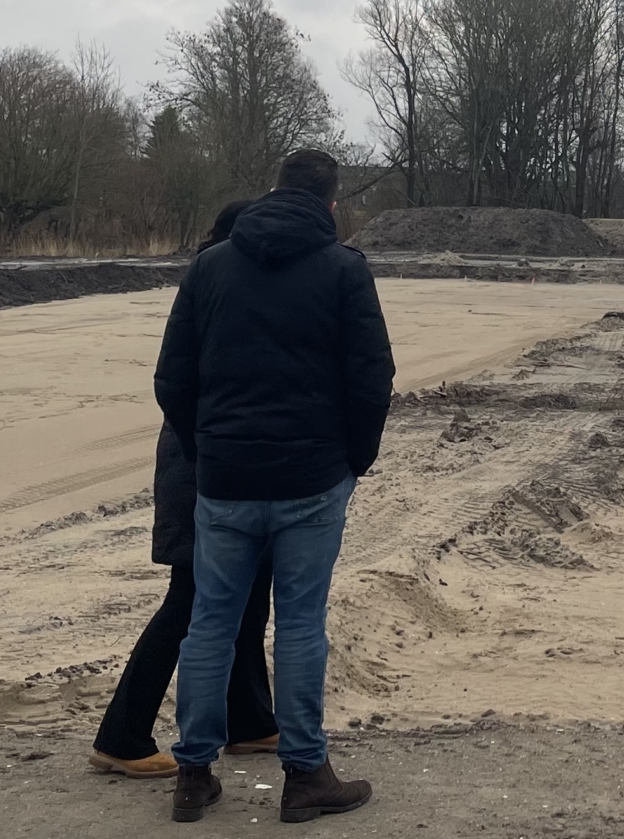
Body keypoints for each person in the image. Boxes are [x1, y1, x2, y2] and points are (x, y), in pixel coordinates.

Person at [155, 150, 395, 824]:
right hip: (312, 479)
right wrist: (354, 460)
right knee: (298, 623)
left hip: (227, 478)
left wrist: (209, 448)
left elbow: (172, 378)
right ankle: (305, 772)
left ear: (272, 191)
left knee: (211, 622)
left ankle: (194, 772)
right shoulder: (345, 269)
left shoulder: (209, 267)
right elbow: (372, 377)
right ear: (332, 204)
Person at [88, 201, 278, 780]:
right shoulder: (215, 290)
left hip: (208, 458)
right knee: (190, 600)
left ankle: (248, 722)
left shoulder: (216, 283)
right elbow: (179, 382)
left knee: (246, 599)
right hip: (201, 464)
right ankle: (121, 734)